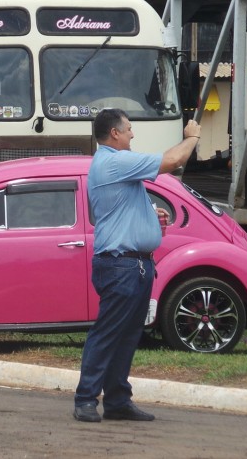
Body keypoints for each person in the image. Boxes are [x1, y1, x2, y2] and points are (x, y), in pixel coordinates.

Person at [73, 108, 200, 423]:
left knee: (127, 336)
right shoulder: (114, 161)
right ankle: (86, 399)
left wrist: (151, 218)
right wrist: (193, 137)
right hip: (121, 266)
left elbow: (124, 209)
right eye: (128, 129)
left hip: (134, 266)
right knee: (107, 333)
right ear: (114, 134)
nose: (132, 134)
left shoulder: (117, 167)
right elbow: (173, 161)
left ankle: (117, 401)